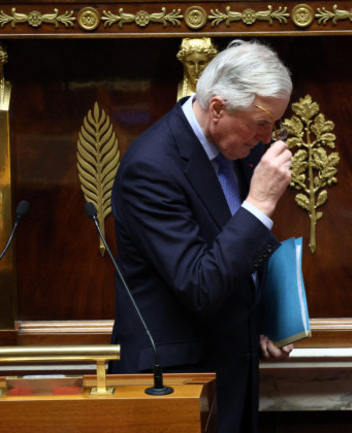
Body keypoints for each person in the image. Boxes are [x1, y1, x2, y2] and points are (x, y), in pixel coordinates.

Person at [109, 39, 294, 433]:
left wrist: (270, 320)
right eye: (261, 122)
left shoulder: (238, 149)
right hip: (178, 384)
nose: (268, 137)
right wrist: (260, 202)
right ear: (217, 108)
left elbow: (243, 250)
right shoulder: (151, 168)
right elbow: (200, 284)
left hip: (233, 372)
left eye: (274, 123)